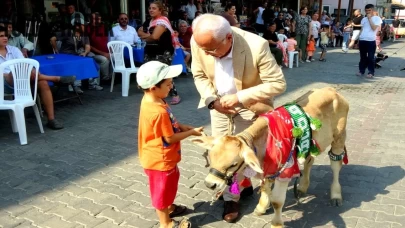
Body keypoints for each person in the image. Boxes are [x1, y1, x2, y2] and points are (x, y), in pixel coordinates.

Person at [191, 14, 286, 223]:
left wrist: (240, 97)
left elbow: (278, 83)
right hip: (218, 108)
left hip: (250, 108)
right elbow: (199, 75)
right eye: (204, 50)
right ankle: (232, 197)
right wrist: (210, 101)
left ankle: (248, 187)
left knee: (248, 156)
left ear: (228, 38)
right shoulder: (200, 39)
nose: (207, 54)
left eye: (213, 50)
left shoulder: (256, 46)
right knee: (223, 157)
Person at [137, 61, 203, 228]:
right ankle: (165, 223)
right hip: (160, 160)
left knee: (170, 185)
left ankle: (169, 207)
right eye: (168, 84)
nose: (171, 86)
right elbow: (169, 139)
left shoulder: (155, 99)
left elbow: (169, 122)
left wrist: (181, 126)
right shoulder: (157, 111)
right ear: (153, 87)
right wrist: (191, 133)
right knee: (161, 192)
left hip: (164, 157)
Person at [0, 26, 75, 129]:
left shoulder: (14, 50)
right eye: (1, 36)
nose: (5, 38)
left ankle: (51, 119)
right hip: (4, 83)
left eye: (5, 36)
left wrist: (32, 71)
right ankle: (56, 79)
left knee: (43, 82)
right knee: (15, 72)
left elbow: (25, 64)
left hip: (23, 79)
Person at [138, 1, 181, 105]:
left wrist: (145, 36)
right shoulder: (148, 21)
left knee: (164, 73)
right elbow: (138, 32)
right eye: (150, 8)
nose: (151, 10)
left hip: (163, 51)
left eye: (154, 8)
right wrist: (148, 36)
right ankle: (154, 95)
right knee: (150, 72)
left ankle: (175, 94)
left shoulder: (163, 21)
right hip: (150, 50)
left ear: (160, 10)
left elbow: (155, 37)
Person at [357, 4, 382, 78]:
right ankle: (361, 70)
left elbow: (374, 28)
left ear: (373, 10)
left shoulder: (377, 19)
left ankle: (371, 72)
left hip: (371, 40)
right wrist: (359, 38)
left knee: (371, 57)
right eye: (366, 10)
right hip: (362, 39)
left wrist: (370, 19)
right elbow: (362, 29)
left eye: (369, 10)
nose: (367, 12)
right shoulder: (363, 19)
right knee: (363, 57)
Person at [87, 13, 111, 82]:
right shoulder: (88, 29)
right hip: (94, 53)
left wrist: (110, 51)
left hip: (107, 51)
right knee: (105, 60)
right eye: (94, 19)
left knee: (116, 57)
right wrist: (103, 53)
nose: (97, 21)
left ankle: (112, 77)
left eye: (98, 19)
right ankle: (106, 78)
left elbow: (109, 40)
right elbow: (88, 46)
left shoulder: (104, 27)